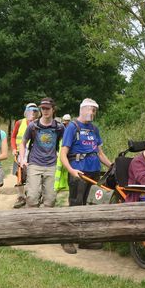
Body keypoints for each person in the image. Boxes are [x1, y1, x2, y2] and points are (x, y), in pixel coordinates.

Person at [59, 98, 112, 254]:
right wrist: (71, 170)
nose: (92, 113)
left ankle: (85, 240)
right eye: (90, 109)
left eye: (94, 110)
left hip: (94, 172)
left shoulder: (94, 129)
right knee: (76, 204)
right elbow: (63, 154)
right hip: (79, 172)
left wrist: (112, 165)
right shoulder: (72, 127)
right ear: (82, 109)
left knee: (90, 206)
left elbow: (99, 152)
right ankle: (67, 239)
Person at [19, 98, 65, 208]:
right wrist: (22, 159)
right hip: (35, 164)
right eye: (43, 108)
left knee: (50, 200)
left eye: (47, 108)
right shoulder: (33, 126)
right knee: (32, 198)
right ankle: (32, 222)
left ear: (53, 109)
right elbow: (23, 142)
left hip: (52, 165)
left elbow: (64, 145)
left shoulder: (59, 127)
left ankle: (46, 223)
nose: (45, 111)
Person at [11, 103, 39, 208]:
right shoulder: (19, 122)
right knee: (18, 175)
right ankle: (21, 196)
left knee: (32, 174)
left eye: (34, 111)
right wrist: (14, 149)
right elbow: (13, 137)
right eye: (30, 110)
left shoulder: (39, 123)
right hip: (19, 153)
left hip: (33, 153)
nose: (32, 113)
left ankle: (32, 195)